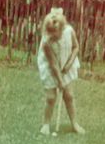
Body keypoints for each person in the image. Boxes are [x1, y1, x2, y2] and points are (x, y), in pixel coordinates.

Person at [37, 7, 86, 135]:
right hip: (50, 67)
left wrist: (69, 65)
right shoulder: (46, 42)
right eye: (50, 33)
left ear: (62, 28)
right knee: (51, 97)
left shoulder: (69, 31)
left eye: (55, 34)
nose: (53, 36)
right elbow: (53, 64)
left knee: (69, 96)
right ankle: (46, 125)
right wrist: (59, 81)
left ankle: (74, 124)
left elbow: (76, 47)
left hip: (66, 63)